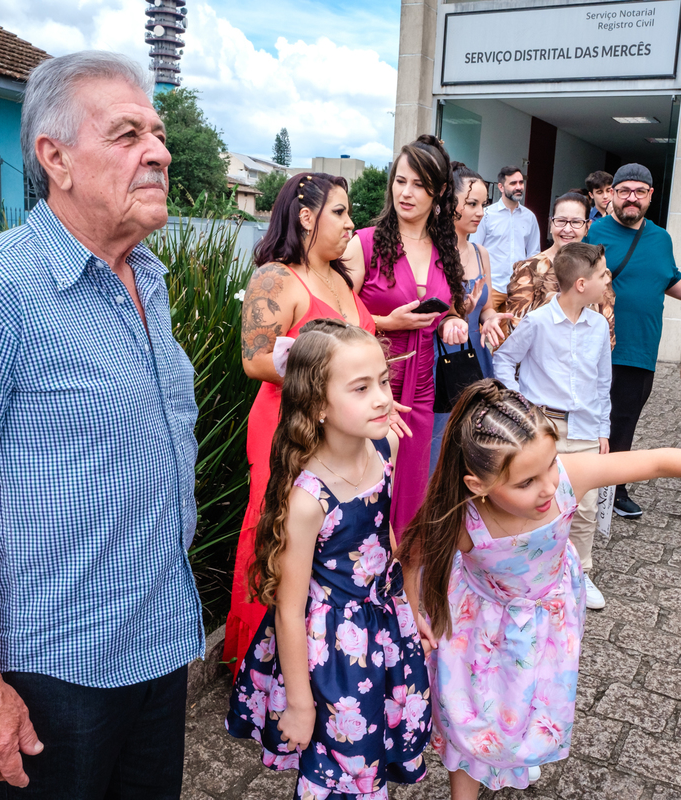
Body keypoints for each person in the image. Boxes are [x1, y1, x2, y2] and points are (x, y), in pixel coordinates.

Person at [0, 52, 202, 797]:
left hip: (157, 648)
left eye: (156, 133)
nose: (158, 151)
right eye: (127, 134)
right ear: (53, 157)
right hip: (54, 675)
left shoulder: (146, 279)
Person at [399, 380, 681, 798]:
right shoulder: (459, 518)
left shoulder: (567, 477)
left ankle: (516, 751)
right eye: (525, 482)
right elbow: (413, 556)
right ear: (478, 486)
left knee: (526, 697)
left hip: (547, 617)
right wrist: (417, 611)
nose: (547, 487)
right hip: (481, 630)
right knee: (472, 714)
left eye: (549, 464)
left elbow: (657, 462)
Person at [226, 320, 430, 799]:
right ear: (317, 405)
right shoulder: (308, 500)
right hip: (333, 652)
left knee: (374, 752)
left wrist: (413, 611)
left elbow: (389, 546)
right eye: (361, 388)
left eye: (383, 380)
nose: (382, 397)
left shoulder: (387, 448)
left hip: (385, 625)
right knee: (339, 770)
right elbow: (289, 609)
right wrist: (299, 703)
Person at [224, 174, 381, 681]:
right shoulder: (276, 278)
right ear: (307, 216)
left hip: (342, 434)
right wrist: (327, 375)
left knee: (331, 540)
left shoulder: (342, 279)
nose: (351, 224)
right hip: (287, 429)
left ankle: (319, 658)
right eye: (340, 212)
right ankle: (260, 665)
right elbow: (254, 360)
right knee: (276, 535)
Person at [345, 134, 469, 534]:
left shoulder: (446, 251)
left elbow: (450, 309)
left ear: (440, 192)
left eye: (419, 184)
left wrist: (452, 321)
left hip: (421, 392)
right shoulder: (362, 244)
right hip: (367, 390)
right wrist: (385, 324)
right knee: (363, 499)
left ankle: (400, 588)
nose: (407, 192)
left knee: (410, 500)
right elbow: (331, 322)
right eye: (400, 181)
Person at [492, 242, 612, 610]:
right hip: (546, 430)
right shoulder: (538, 321)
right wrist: (523, 408)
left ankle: (582, 572)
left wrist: (603, 429)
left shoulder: (597, 326)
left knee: (586, 506)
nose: (608, 279)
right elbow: (503, 361)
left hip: (586, 429)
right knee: (541, 503)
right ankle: (531, 570)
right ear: (581, 283)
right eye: (603, 274)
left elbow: (603, 382)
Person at [584, 163, 681, 519]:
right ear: (612, 194)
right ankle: (581, 484)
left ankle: (614, 490)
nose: (631, 198)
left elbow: (672, 280)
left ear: (650, 195)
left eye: (639, 191)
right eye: (623, 191)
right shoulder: (594, 232)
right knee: (587, 419)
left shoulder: (661, 238)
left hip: (641, 348)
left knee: (624, 422)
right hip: (596, 347)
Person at [428, 162, 512, 471]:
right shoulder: (431, 252)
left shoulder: (481, 253)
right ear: (449, 204)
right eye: (472, 204)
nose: (480, 212)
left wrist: (489, 318)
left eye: (483, 205)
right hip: (441, 360)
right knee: (440, 441)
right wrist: (451, 317)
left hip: (476, 355)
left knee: (473, 439)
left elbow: (486, 305)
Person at [501, 193, 614, 347]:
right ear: (551, 224)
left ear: (587, 227)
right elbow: (515, 329)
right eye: (561, 221)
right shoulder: (529, 269)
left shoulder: (600, 273)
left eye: (576, 222)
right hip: (537, 364)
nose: (567, 229)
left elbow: (607, 334)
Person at [469, 166, 541, 292]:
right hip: (491, 286)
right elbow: (475, 251)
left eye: (520, 182)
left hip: (519, 287)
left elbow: (533, 254)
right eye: (513, 183)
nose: (518, 187)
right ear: (501, 187)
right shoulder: (485, 215)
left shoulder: (530, 217)